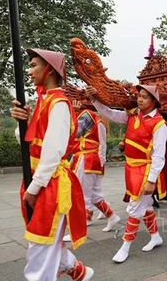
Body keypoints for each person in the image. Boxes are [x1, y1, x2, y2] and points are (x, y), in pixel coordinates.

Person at [11, 48, 93, 280]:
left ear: (49, 69)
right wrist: (22, 122)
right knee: (42, 243)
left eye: (34, 65)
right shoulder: (43, 101)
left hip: (50, 183)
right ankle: (79, 272)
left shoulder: (58, 103)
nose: (29, 71)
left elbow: (53, 152)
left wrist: (34, 187)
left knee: (39, 249)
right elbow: (27, 142)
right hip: (39, 178)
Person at [85, 84, 167, 263]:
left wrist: (151, 180)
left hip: (145, 171)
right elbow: (110, 113)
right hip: (131, 169)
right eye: (139, 95)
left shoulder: (160, 124)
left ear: (154, 101)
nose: (139, 99)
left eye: (145, 97)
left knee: (134, 208)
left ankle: (125, 246)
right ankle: (155, 237)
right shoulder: (132, 115)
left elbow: (159, 157)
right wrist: (94, 99)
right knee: (145, 206)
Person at [63, 101, 120, 241]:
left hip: (86, 158)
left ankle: (78, 231)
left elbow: (73, 133)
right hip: (89, 158)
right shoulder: (95, 118)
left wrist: (72, 114)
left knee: (80, 196)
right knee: (94, 195)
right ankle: (112, 216)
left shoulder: (86, 115)